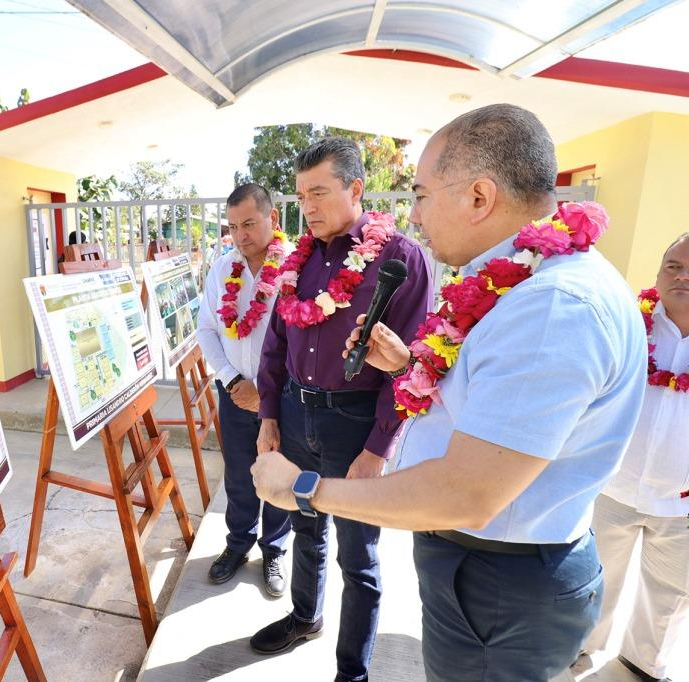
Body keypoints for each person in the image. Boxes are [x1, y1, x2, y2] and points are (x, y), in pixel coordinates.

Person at [251, 103, 647, 681]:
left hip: (498, 584)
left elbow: (468, 493)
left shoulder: (551, 307)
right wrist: (409, 362)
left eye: (420, 194)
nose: (414, 213)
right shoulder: (526, 284)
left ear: (479, 197)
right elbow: (488, 401)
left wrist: (304, 489)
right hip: (485, 572)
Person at [251, 138, 433, 681]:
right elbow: (276, 344)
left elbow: (411, 365)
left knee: (359, 557)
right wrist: (268, 414)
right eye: (302, 194)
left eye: (320, 192)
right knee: (307, 528)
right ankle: (305, 617)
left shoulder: (399, 258)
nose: (307, 206)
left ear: (355, 189)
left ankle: (352, 671)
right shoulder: (297, 260)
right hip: (295, 413)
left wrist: (380, 446)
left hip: (356, 423)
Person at [579, 232, 689, 682]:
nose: (682, 276)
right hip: (614, 484)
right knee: (592, 583)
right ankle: (580, 648)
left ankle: (643, 666)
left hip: (682, 503)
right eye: (674, 266)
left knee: (670, 596)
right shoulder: (629, 322)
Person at [196, 183, 292, 595]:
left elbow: (303, 342)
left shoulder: (295, 269)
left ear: (273, 219)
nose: (241, 235)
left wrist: (266, 392)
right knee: (238, 475)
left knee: (281, 474)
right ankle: (238, 544)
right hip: (234, 392)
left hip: (284, 397)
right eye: (233, 226)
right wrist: (234, 380)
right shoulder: (222, 270)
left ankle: (274, 550)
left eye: (249, 224)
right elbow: (206, 330)